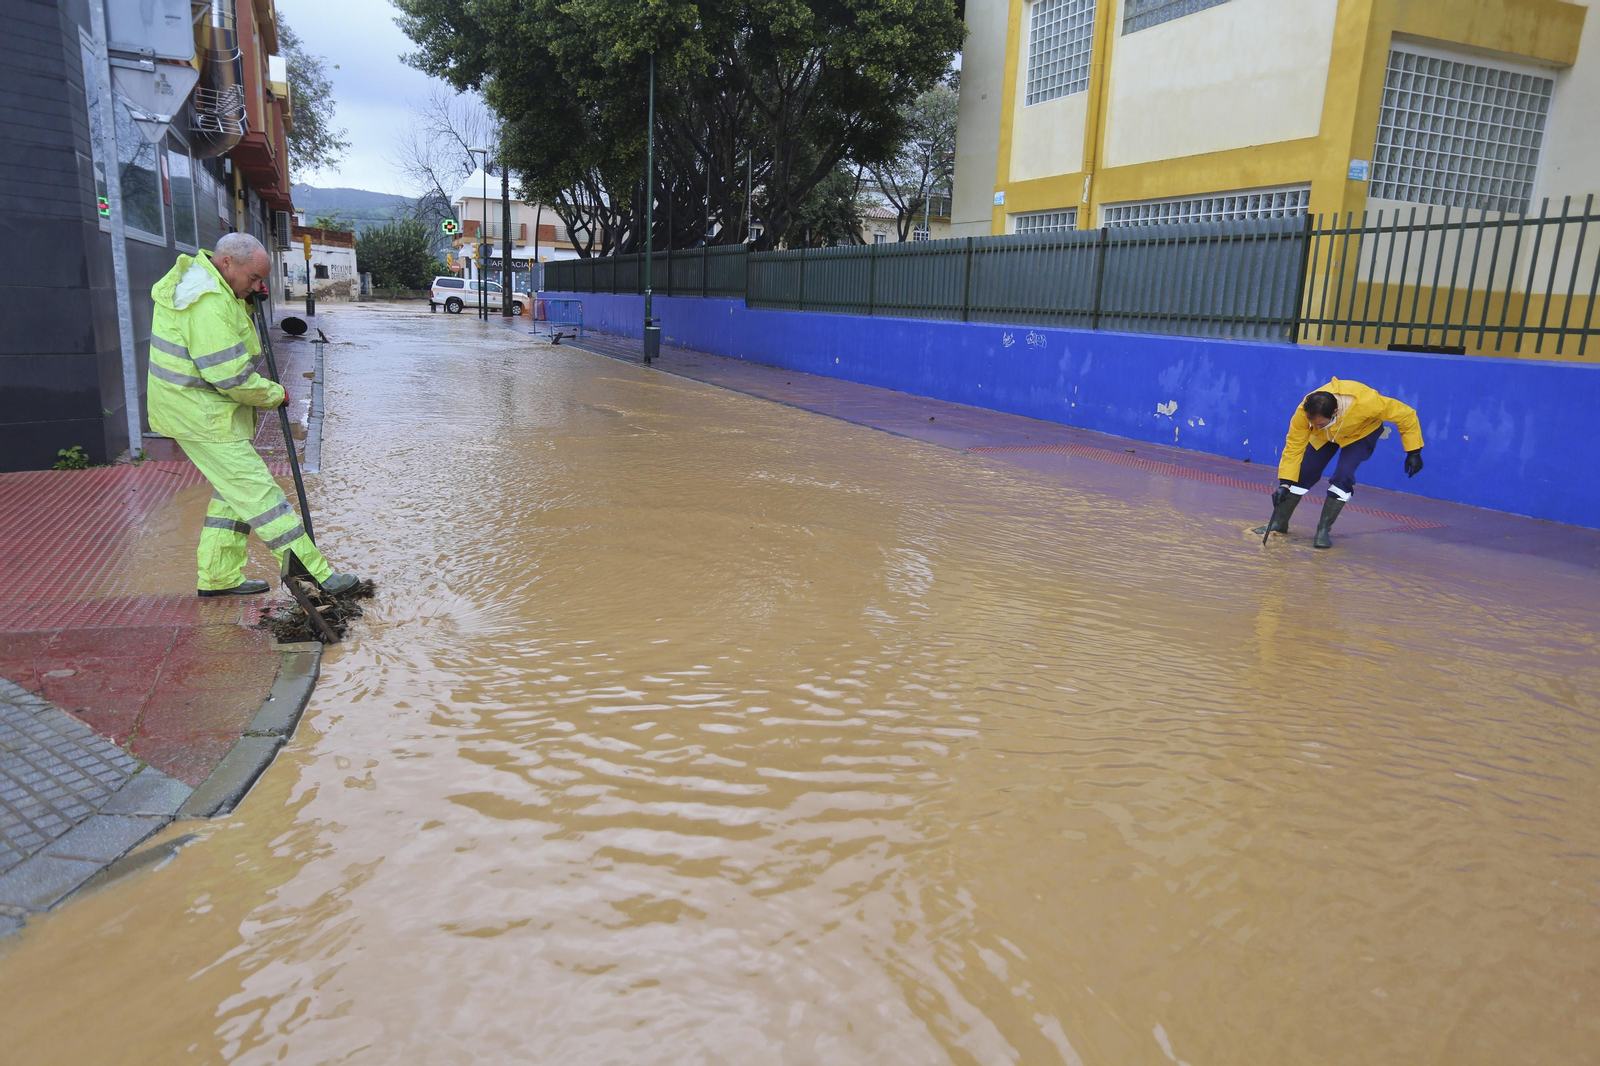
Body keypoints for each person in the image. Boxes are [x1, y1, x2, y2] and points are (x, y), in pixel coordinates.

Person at [147, 232, 360, 596]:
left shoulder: (218, 289)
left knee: (232, 497)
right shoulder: (207, 300)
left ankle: (219, 578)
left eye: (262, 281)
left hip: (202, 411)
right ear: (228, 263)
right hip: (201, 416)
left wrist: (246, 299)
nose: (258, 286)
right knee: (262, 496)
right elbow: (229, 374)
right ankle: (315, 577)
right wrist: (274, 393)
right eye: (254, 279)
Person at [1256, 377, 1424, 549]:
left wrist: (1414, 451)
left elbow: (1406, 414)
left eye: (1319, 423)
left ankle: (1322, 531)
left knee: (1343, 475)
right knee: (1304, 472)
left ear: (1335, 411)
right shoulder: (1304, 412)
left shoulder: (1368, 403)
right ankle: (1278, 523)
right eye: (1311, 423)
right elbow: (1294, 447)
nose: (1314, 426)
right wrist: (1284, 483)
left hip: (1360, 434)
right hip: (1327, 436)